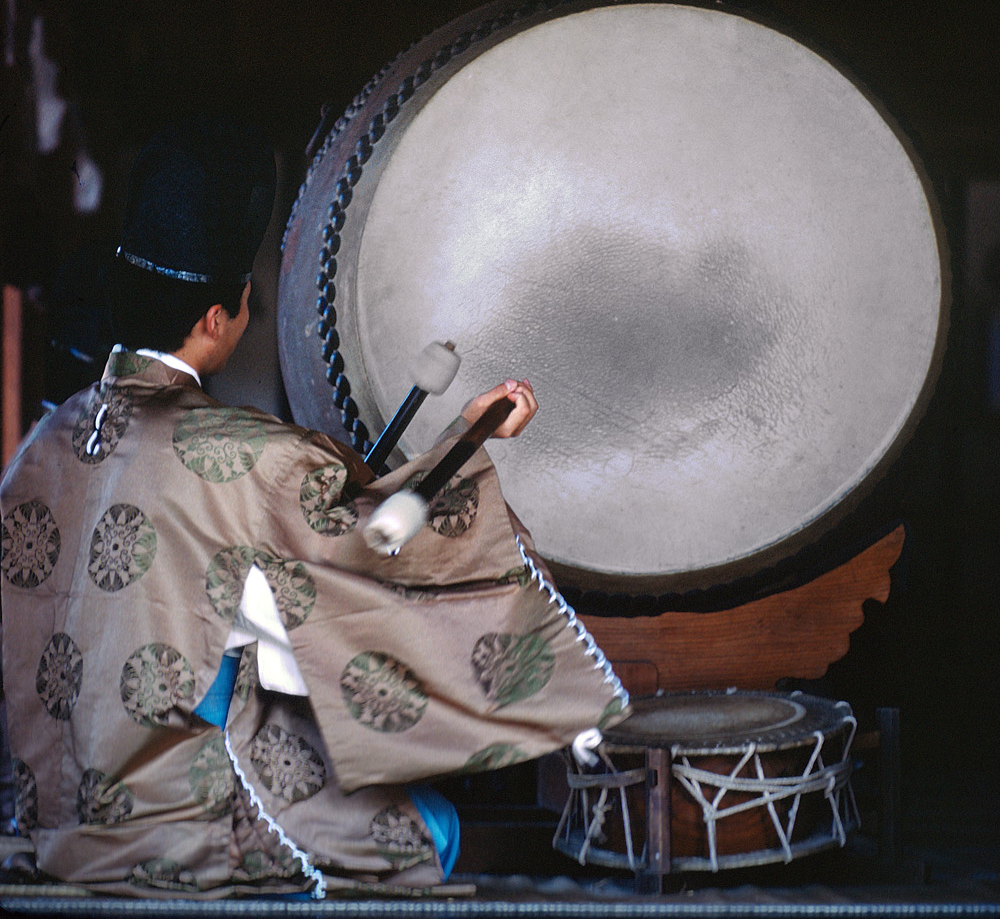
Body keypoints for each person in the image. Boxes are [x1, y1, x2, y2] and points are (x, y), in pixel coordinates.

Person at [0, 118, 627, 897]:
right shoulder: (248, 458)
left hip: (51, 818)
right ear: (218, 318)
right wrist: (467, 439)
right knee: (431, 829)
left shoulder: (41, 449)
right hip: (188, 821)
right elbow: (380, 552)